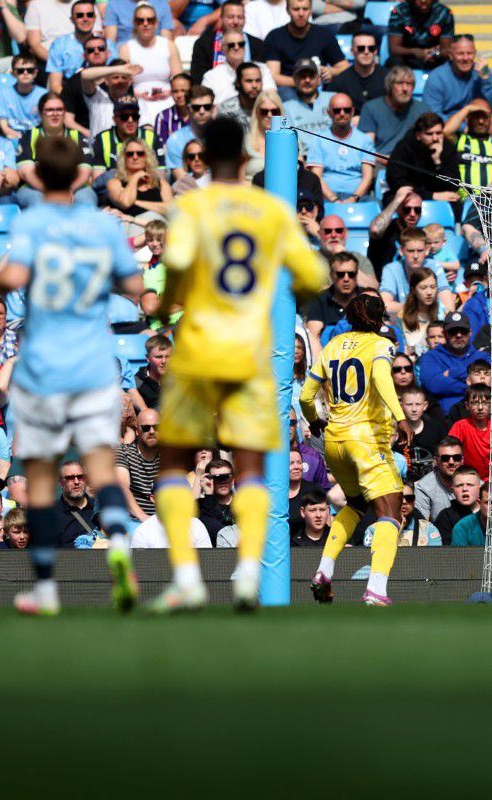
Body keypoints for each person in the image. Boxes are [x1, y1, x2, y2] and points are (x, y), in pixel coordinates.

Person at [148, 116, 328, 613]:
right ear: (247, 158)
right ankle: (248, 570)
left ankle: (186, 576)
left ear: (202, 157)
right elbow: (314, 276)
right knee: (251, 468)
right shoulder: (269, 211)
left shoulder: (192, 209)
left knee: (175, 466)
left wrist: (160, 309)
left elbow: (176, 282)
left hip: (199, 352)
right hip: (249, 353)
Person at [0, 135, 144, 616]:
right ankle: (116, 542)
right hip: (94, 365)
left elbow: (9, 279)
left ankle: (46, 588)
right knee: (101, 467)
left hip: (46, 366)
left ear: (37, 176)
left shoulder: (31, 225)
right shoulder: (101, 225)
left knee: (44, 476)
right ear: (80, 177)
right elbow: (135, 287)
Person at [300, 294, 411, 605]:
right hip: (366, 442)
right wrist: (400, 417)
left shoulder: (332, 345)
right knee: (390, 513)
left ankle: (323, 571)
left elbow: (307, 397)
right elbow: (378, 377)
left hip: (334, 441)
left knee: (355, 504)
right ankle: (376, 589)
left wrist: (315, 422)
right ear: (377, 320)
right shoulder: (380, 344)